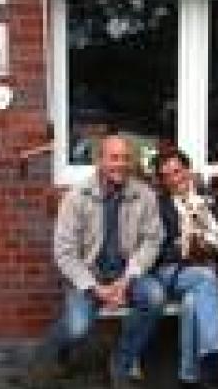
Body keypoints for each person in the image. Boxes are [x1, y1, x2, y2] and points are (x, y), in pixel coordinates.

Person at [37, 134, 166, 389]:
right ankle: (57, 349)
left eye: (126, 158)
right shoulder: (76, 197)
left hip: (128, 273)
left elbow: (152, 240)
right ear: (100, 160)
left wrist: (127, 278)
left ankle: (122, 360)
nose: (121, 164)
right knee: (77, 327)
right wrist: (95, 288)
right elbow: (64, 252)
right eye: (114, 158)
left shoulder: (144, 195)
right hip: (89, 275)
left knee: (155, 297)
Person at [152, 149, 218, 389]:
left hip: (207, 270)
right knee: (205, 279)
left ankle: (188, 376)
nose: (174, 179)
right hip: (172, 272)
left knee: (192, 302)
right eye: (167, 176)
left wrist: (209, 244)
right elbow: (155, 251)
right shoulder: (158, 207)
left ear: (187, 170)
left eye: (177, 171)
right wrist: (184, 248)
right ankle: (213, 355)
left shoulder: (210, 199)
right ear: (162, 181)